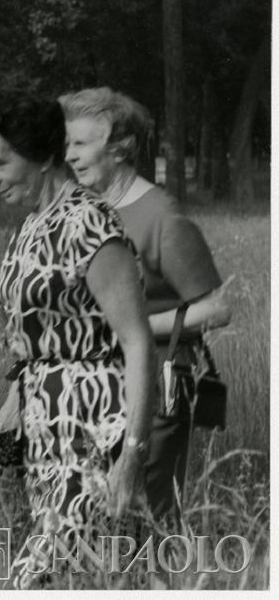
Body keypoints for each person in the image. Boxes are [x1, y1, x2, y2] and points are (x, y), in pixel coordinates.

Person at [0, 89, 154, 587]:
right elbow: (33, 339)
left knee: (36, 580)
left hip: (96, 427)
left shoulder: (89, 223)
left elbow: (138, 342)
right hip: (45, 432)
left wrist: (132, 454)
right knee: (79, 580)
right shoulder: (31, 226)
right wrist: (13, 405)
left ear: (42, 154)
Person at [60, 86, 228, 521]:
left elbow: (216, 309)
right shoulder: (82, 210)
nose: (70, 155)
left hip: (154, 388)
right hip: (89, 388)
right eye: (67, 144)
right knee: (89, 517)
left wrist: (131, 328)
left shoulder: (160, 215)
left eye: (81, 143)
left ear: (121, 147)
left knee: (145, 516)